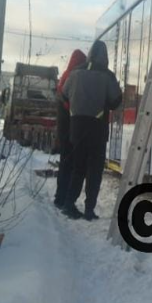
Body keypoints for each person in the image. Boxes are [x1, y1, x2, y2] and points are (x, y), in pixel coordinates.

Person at [61, 40, 122, 220]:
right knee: (94, 171)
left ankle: (69, 204)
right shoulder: (107, 75)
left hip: (76, 127)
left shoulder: (75, 72)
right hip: (97, 129)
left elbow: (64, 94)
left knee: (77, 167)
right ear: (105, 56)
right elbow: (116, 101)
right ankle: (89, 209)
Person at [53, 49, 87, 208]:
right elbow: (70, 103)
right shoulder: (72, 78)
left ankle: (60, 197)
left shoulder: (65, 76)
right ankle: (62, 199)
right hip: (69, 128)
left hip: (63, 128)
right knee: (69, 165)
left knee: (65, 164)